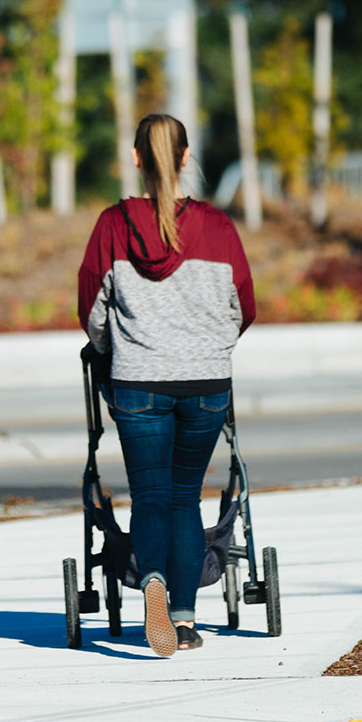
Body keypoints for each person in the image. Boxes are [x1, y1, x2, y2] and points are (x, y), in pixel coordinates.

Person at [76, 113, 255, 657]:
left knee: (150, 495)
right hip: (204, 381)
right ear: (184, 158)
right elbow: (243, 306)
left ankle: (149, 578)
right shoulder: (219, 228)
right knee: (185, 496)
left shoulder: (113, 226)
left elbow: (91, 307)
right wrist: (213, 346)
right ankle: (181, 617)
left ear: (136, 158)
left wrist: (113, 350)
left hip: (139, 381)